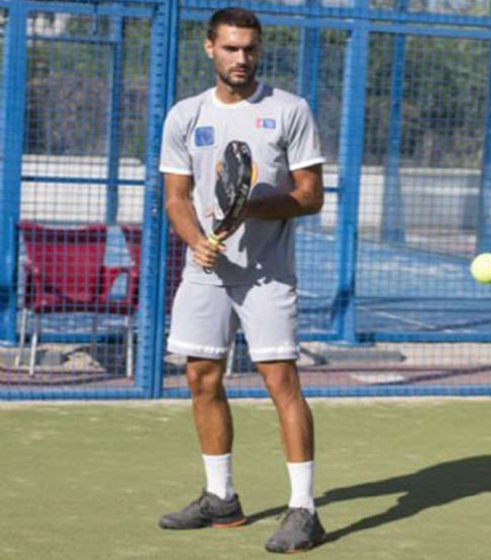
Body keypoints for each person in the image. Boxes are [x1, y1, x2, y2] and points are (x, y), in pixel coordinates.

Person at [156, 7, 326, 554]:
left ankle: (304, 509)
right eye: (230, 48)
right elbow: (176, 197)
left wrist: (253, 207)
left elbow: (310, 195)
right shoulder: (184, 115)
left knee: (281, 383)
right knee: (202, 377)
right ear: (210, 48)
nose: (241, 58)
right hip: (205, 271)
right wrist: (195, 240)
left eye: (249, 48)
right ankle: (220, 498)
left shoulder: (289, 110)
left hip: (267, 276)